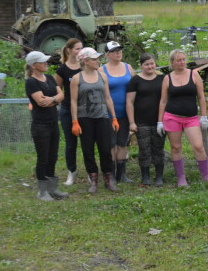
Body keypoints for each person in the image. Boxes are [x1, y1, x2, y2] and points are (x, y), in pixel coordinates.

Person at [158, 49, 208, 186]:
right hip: (172, 117)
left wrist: (204, 116)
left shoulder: (194, 75)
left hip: (191, 118)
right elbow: (163, 101)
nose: (182, 62)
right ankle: (181, 177)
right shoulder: (167, 78)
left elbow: (201, 97)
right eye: (178, 60)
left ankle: (205, 175)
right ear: (172, 62)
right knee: (176, 147)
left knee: (198, 146)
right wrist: (160, 121)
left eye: (183, 59)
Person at [70, 47, 120, 193]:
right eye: (94, 59)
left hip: (102, 117)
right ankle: (93, 180)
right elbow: (73, 101)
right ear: (85, 61)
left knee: (105, 149)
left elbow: (108, 98)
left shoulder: (102, 76)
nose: (98, 61)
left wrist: (114, 117)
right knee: (88, 150)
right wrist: (75, 121)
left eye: (98, 58)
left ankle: (108, 179)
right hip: (85, 118)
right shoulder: (76, 78)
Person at [25, 51, 68, 201]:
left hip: (53, 123)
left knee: (53, 156)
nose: (46, 63)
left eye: (45, 61)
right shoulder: (31, 82)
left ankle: (52, 188)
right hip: (40, 125)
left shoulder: (49, 78)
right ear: (33, 65)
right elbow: (40, 102)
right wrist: (55, 99)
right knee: (43, 157)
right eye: (42, 61)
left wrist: (52, 99)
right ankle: (42, 191)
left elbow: (61, 95)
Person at [126, 53, 166, 186]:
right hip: (141, 121)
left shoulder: (162, 78)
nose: (150, 66)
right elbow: (130, 102)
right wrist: (131, 122)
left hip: (159, 120)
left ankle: (159, 176)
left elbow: (166, 99)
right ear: (141, 66)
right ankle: (146, 176)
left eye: (152, 63)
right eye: (147, 64)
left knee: (158, 148)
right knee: (144, 149)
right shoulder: (135, 80)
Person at [100, 41, 135, 184]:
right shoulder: (102, 70)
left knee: (122, 143)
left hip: (125, 113)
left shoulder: (128, 67)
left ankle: (122, 173)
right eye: (114, 51)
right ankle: (111, 174)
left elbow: (135, 87)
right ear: (108, 54)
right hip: (108, 114)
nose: (118, 53)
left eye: (119, 50)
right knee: (111, 144)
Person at [55, 38, 83, 186]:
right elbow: (57, 89)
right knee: (71, 144)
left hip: (85, 110)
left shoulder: (85, 66)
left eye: (81, 48)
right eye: (77, 49)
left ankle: (92, 173)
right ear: (69, 50)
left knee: (87, 143)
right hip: (67, 110)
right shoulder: (62, 70)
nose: (80, 51)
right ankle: (71, 172)